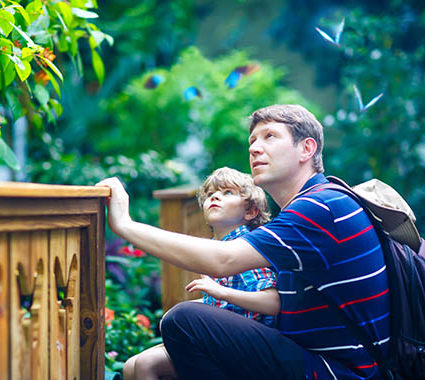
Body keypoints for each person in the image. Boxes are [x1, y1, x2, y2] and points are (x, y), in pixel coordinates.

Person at [97, 104, 390, 379]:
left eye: (270, 136)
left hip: (338, 371)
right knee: (169, 340)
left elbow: (223, 260)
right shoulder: (311, 205)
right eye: (252, 140)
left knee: (183, 320)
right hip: (314, 358)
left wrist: (125, 224)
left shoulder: (320, 207)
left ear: (306, 148)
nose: (254, 148)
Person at [122, 167, 279, 380]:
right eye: (210, 194)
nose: (215, 196)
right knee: (131, 366)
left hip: (244, 347)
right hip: (219, 339)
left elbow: (272, 302)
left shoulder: (245, 248)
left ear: (250, 211)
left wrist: (221, 292)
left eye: (227, 193)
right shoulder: (216, 246)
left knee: (146, 364)